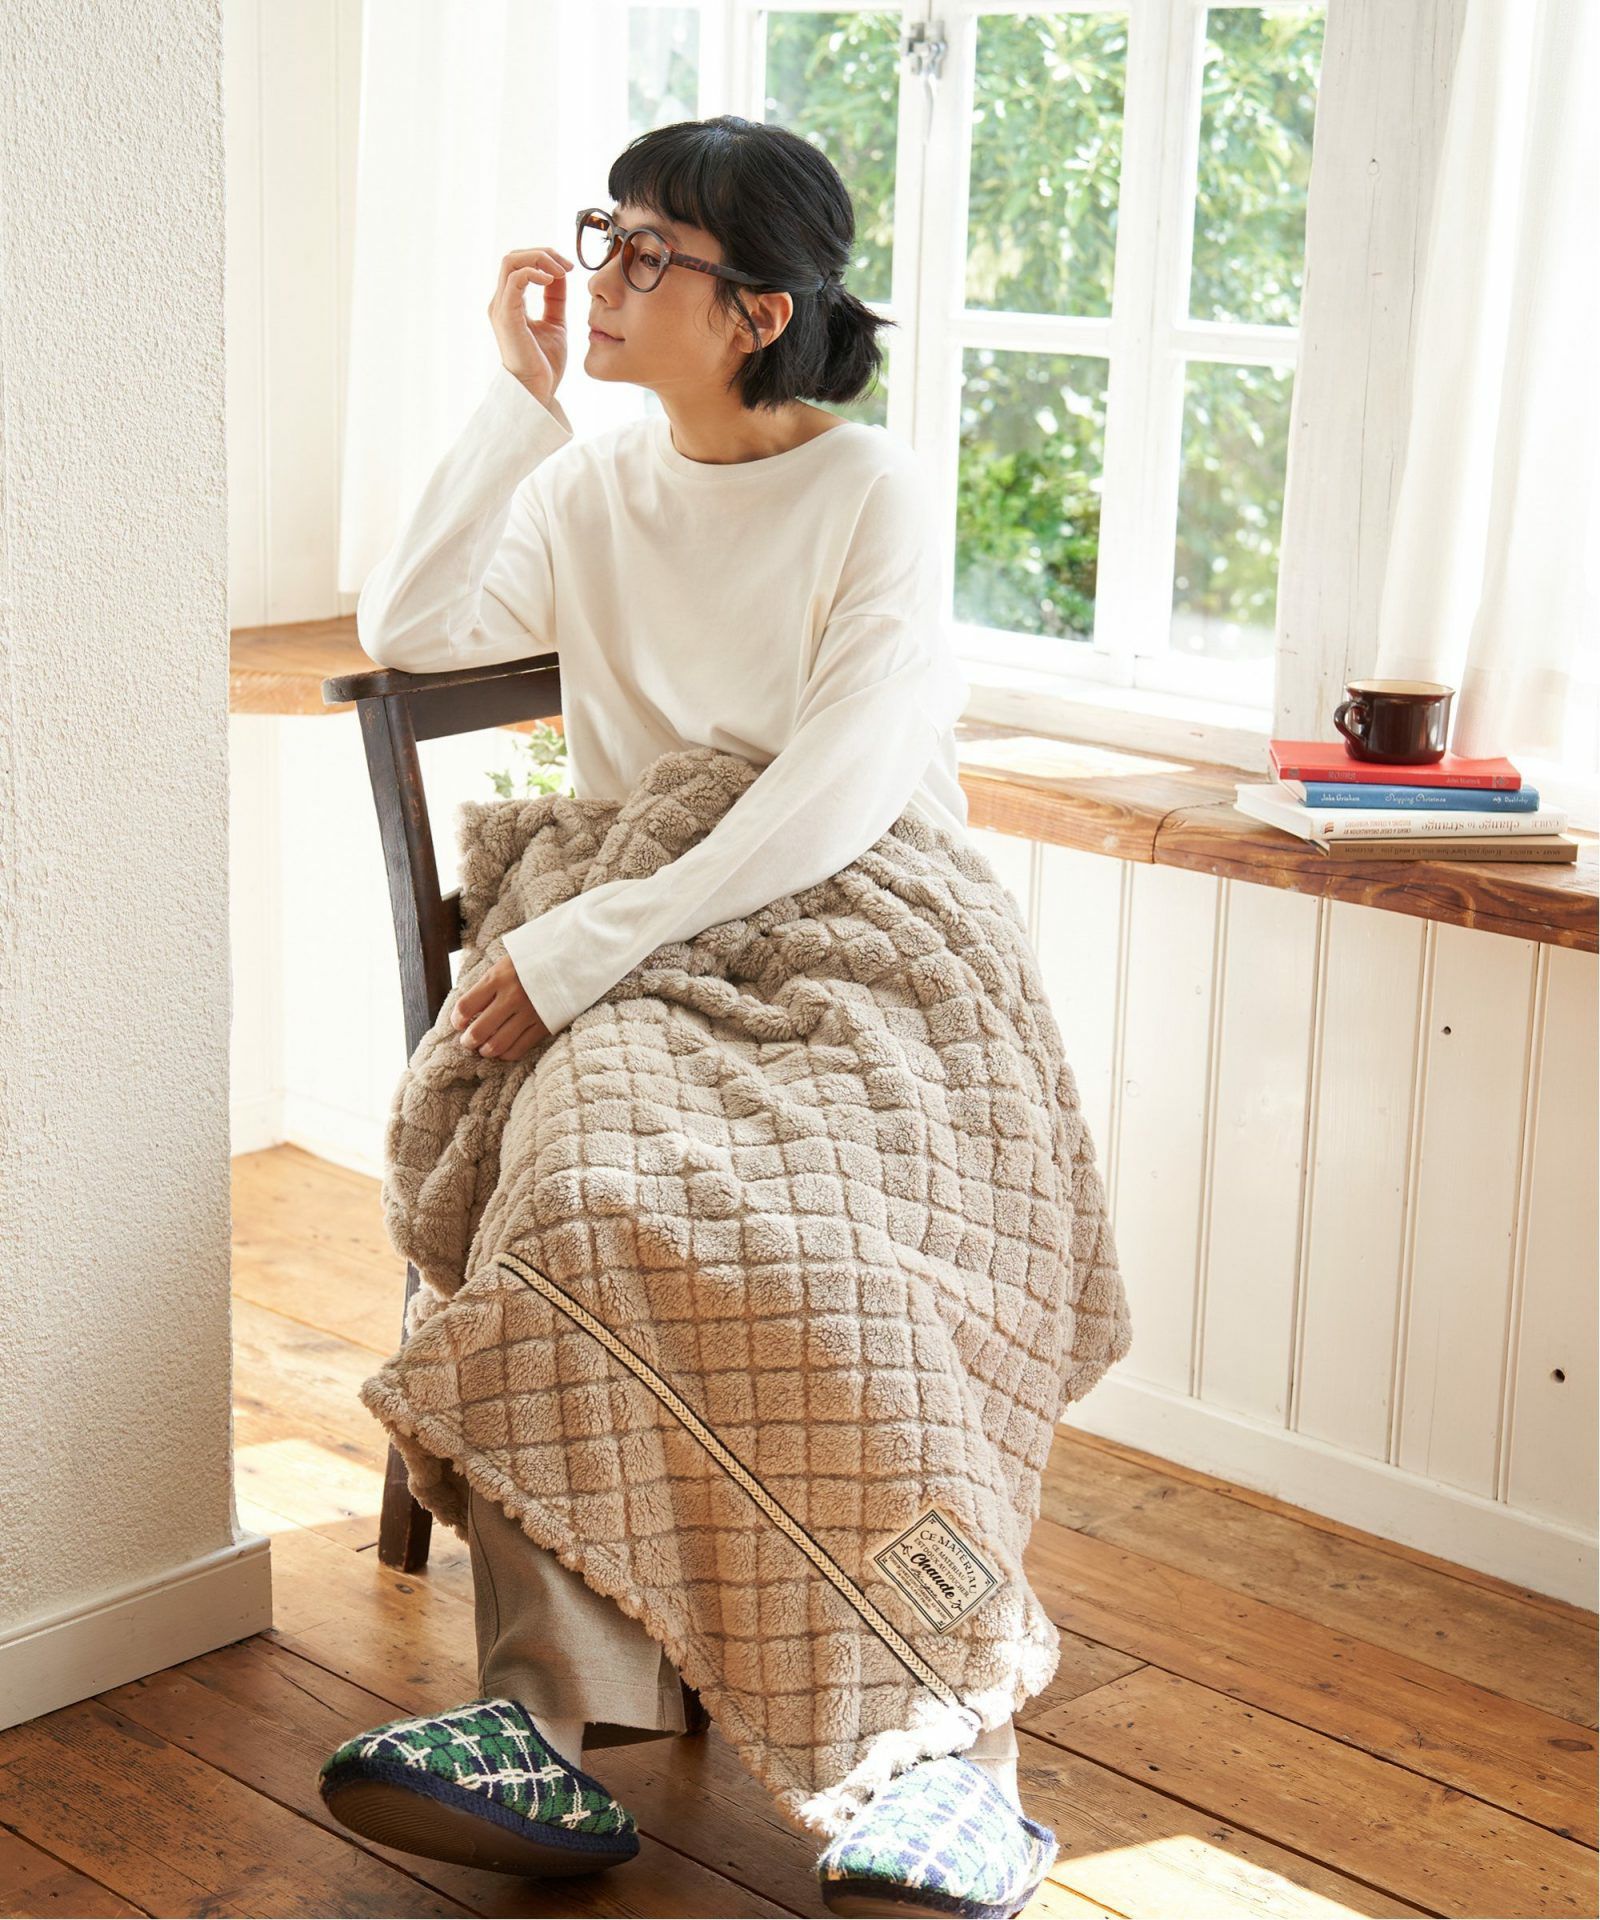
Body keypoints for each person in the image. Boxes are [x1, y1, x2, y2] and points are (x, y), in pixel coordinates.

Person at [317, 116, 1055, 1917]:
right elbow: (410, 623)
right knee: (575, 1206)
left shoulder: (872, 492)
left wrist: (588, 946)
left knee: (851, 1251)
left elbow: (843, 782)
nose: (607, 272)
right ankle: (542, 1732)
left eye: (652, 252)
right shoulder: (588, 490)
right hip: (638, 932)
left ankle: (952, 1759)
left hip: (858, 922)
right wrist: (519, 403)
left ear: (758, 312)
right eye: (611, 232)